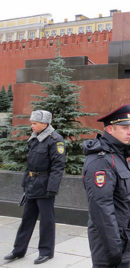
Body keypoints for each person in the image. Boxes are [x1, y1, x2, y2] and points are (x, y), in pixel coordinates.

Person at [82, 104, 130, 268]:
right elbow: (101, 208)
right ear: (110, 130)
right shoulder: (101, 161)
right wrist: (115, 248)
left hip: (123, 240)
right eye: (124, 128)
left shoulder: (117, 155)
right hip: (109, 245)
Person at [4, 110, 65, 265]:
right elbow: (29, 164)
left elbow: (58, 167)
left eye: (34, 123)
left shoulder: (55, 140)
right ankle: (18, 250)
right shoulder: (34, 139)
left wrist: (52, 188)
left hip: (45, 186)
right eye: (31, 122)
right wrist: (25, 182)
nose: (31, 125)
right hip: (32, 184)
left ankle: (46, 252)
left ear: (45, 124)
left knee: (46, 220)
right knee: (27, 219)